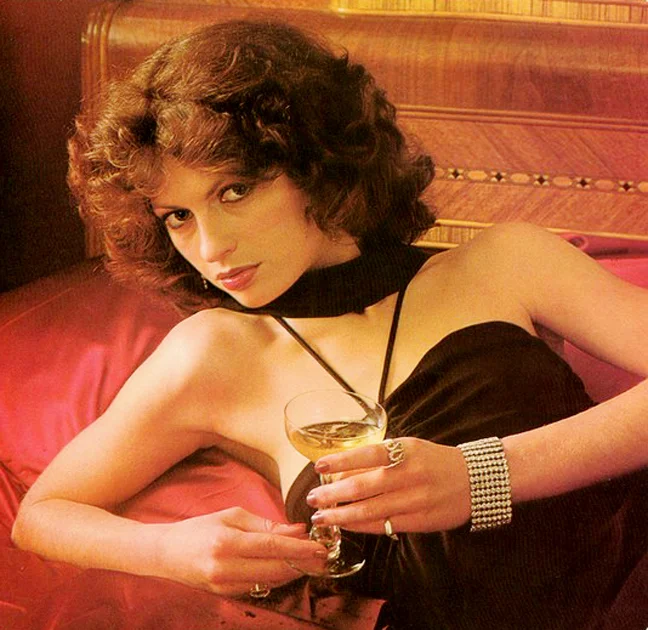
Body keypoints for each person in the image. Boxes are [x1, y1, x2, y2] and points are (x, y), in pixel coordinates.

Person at [11, 19, 648, 629]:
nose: (210, 247)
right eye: (178, 215)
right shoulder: (214, 353)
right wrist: (174, 550)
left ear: (316, 165)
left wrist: (481, 476)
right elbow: (42, 515)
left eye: (234, 191)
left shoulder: (505, 261)